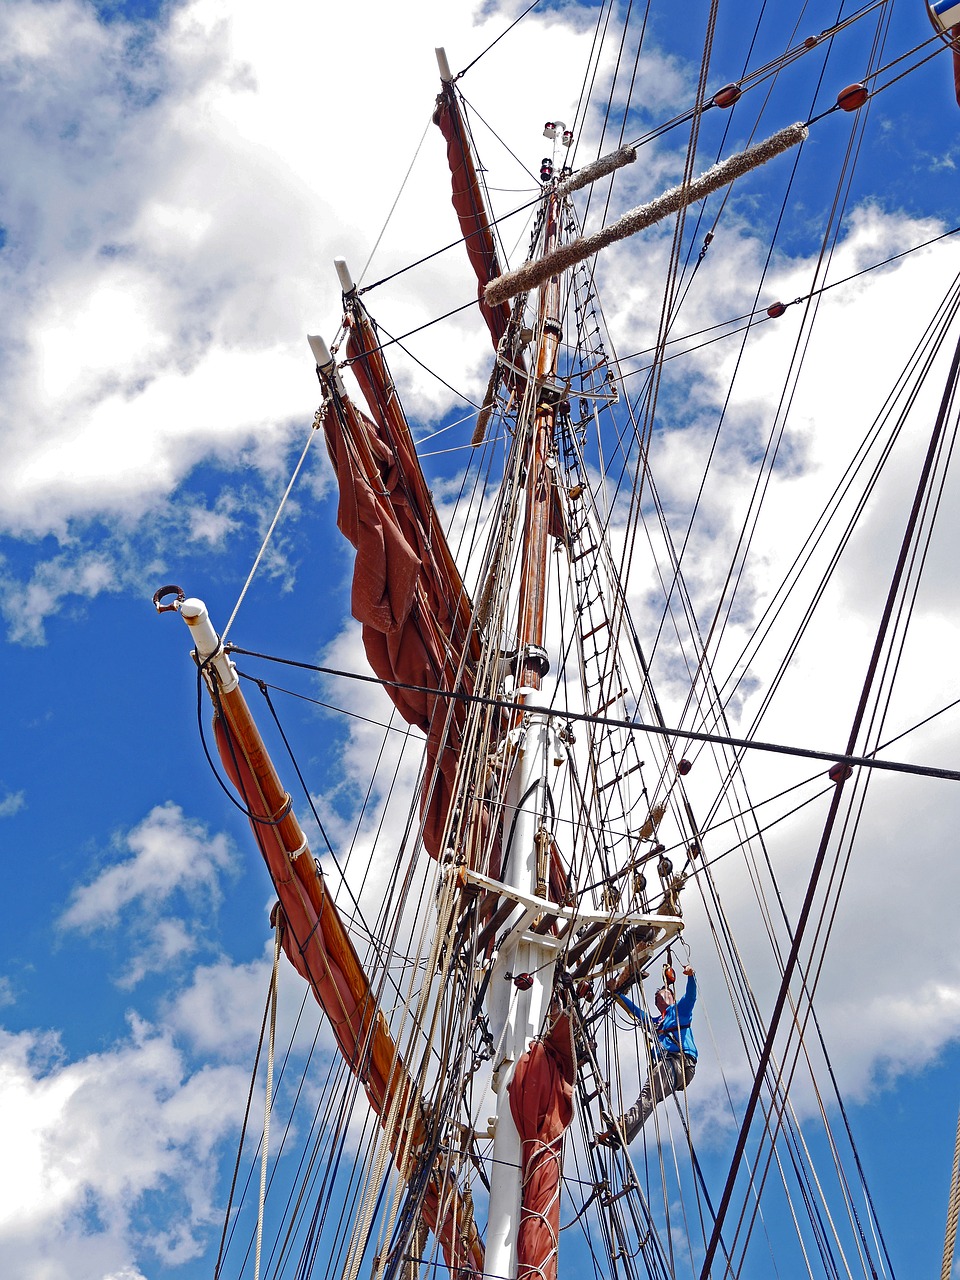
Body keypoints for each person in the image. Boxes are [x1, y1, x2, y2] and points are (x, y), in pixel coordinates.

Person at [599, 965, 698, 1145]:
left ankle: (623, 1124)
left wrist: (691, 976)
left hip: (678, 1063)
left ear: (671, 997)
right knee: (649, 1099)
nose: (660, 995)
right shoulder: (655, 1022)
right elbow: (636, 1012)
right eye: (658, 996)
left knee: (648, 1094)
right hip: (673, 1067)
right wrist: (616, 994)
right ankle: (625, 1135)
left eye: (664, 992)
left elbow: (691, 996)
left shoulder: (679, 1011)